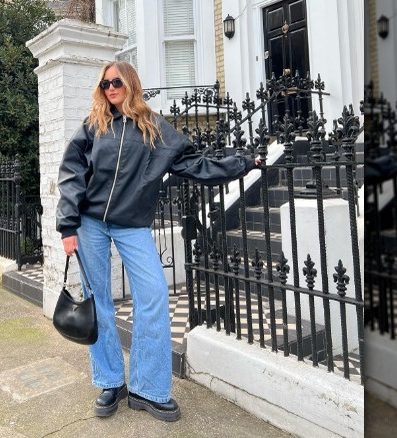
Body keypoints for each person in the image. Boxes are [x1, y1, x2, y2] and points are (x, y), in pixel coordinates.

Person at [56, 61, 261, 422]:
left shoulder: (154, 127)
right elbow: (72, 173)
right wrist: (68, 225)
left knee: (153, 295)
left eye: (116, 82)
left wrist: (244, 161)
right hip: (89, 224)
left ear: (131, 83)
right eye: (105, 84)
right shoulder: (94, 125)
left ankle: (147, 388)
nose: (110, 89)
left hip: (131, 225)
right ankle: (110, 382)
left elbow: (197, 164)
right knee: (98, 300)